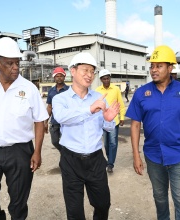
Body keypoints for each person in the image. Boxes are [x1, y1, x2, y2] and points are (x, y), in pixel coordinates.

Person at [126, 45, 180, 220]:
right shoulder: (141, 93)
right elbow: (135, 125)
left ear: (170, 68)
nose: (153, 70)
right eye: (152, 66)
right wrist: (136, 156)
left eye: (159, 66)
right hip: (154, 156)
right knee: (160, 199)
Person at [0, 37, 49, 219]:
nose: (15, 67)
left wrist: (37, 152)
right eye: (10, 63)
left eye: (17, 62)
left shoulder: (29, 88)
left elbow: (40, 121)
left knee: (18, 202)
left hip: (20, 152)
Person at [52, 52, 120, 220]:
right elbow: (62, 118)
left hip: (96, 159)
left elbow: (108, 128)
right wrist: (89, 109)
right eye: (85, 70)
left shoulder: (99, 98)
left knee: (103, 204)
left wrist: (109, 120)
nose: (89, 75)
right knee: (74, 211)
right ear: (73, 71)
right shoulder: (61, 99)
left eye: (92, 71)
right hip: (71, 160)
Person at [96, 69, 126, 173]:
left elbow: (121, 104)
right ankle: (110, 159)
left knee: (113, 143)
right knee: (106, 144)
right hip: (103, 121)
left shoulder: (116, 89)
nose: (106, 80)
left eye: (108, 78)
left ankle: (110, 164)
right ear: (101, 79)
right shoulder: (97, 91)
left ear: (110, 78)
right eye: (104, 79)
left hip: (114, 121)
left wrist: (122, 117)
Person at [44, 67, 69, 152]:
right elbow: (49, 107)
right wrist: (46, 121)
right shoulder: (51, 91)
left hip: (66, 122)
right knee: (55, 141)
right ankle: (65, 155)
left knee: (66, 143)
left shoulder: (69, 90)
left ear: (64, 77)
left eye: (61, 76)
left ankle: (65, 161)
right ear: (54, 78)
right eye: (57, 76)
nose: (59, 78)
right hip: (55, 122)